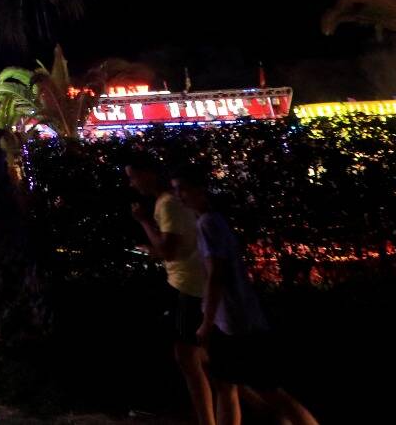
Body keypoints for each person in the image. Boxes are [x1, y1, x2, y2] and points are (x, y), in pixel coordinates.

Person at [172, 168, 321, 425]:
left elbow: (217, 273)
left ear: (201, 190)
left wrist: (207, 321)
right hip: (235, 320)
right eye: (175, 190)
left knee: (262, 388)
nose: (179, 196)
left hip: (235, 323)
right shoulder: (212, 221)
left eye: (182, 189)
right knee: (229, 384)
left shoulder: (208, 223)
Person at [125, 152, 214, 425]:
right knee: (203, 359)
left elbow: (168, 250)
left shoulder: (166, 204)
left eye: (133, 177)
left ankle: (208, 417)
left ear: (148, 174)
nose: (132, 184)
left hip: (187, 285)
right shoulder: (173, 202)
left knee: (190, 359)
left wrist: (142, 221)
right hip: (192, 284)